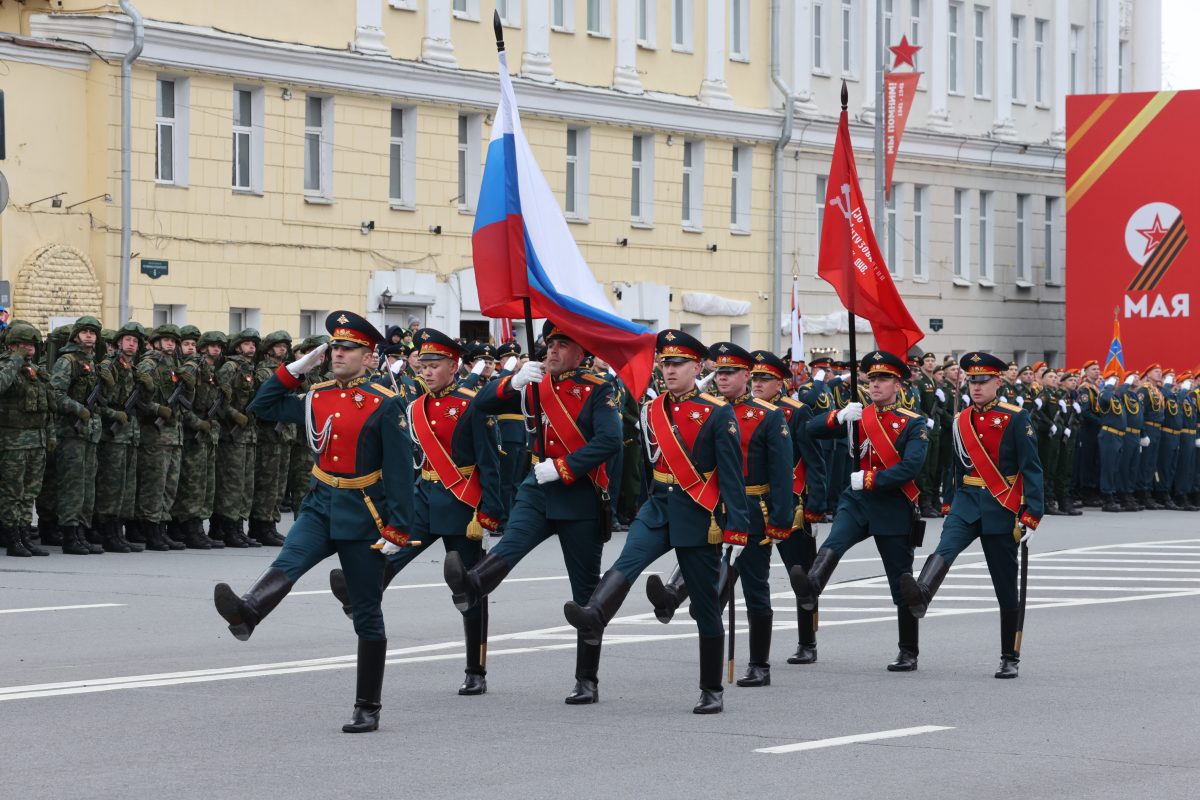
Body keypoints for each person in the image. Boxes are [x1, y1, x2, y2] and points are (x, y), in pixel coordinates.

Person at [214, 311, 414, 733]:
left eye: (347, 349)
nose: (338, 354)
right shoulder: (317, 395)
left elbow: (399, 472)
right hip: (321, 503)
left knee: (366, 613)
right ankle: (248, 613)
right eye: (334, 348)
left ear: (367, 355)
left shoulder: (385, 402)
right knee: (290, 559)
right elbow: (261, 406)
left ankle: (367, 705)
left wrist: (399, 528)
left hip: (364, 512)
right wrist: (295, 369)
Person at [563, 330, 749, 713]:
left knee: (704, 602)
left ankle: (711, 689)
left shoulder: (717, 412)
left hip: (699, 510)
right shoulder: (652, 409)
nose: (669, 370)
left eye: (678, 363)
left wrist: (737, 526)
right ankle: (595, 614)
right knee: (626, 561)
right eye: (664, 363)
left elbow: (732, 475)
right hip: (659, 505)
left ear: (697, 367)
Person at [442, 321, 622, 705]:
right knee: (512, 544)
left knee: (584, 594)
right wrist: (514, 381)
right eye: (549, 344)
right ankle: (472, 585)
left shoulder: (598, 388)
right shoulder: (534, 383)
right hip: (538, 488)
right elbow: (482, 403)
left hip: (580, 494)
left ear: (581, 351)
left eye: (561, 344)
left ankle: (586, 678)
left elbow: (609, 439)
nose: (552, 351)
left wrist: (565, 467)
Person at [328, 329, 504, 695]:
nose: (426, 371)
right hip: (424, 496)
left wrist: (490, 511)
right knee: (392, 554)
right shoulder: (416, 405)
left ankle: (476, 668)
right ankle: (361, 592)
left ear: (453, 367)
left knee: (469, 588)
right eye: (423, 365)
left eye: (434, 365)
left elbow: (490, 462)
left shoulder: (473, 403)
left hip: (462, 502)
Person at [640, 342, 792, 688]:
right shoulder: (706, 410)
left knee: (755, 587)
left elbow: (781, 474)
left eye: (730, 372)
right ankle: (672, 597)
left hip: (752, 508)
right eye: (718, 372)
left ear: (745, 375)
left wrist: (781, 521)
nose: (722, 378)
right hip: (709, 505)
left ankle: (759, 662)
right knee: (704, 571)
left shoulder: (768, 416)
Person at [900, 351, 1043, 678]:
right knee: (945, 548)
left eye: (983, 381)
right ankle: (922, 594)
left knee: (1005, 585)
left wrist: (1032, 514)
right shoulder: (961, 419)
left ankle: (1010, 655)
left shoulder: (1015, 418)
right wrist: (949, 500)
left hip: (1001, 504)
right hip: (966, 502)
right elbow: (956, 465)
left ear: (997, 382)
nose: (976, 388)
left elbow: (1032, 469)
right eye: (972, 381)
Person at [790, 350, 929, 671]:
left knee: (900, 579)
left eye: (883, 379)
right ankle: (811, 589)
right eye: (872, 378)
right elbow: (807, 430)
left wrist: (870, 477)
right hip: (856, 502)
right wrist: (836, 418)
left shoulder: (913, 422)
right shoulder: (858, 415)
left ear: (898, 384)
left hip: (893, 503)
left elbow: (911, 467)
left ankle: (908, 650)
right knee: (833, 544)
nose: (876, 384)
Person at [749, 349, 828, 664]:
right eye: (754, 377)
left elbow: (814, 459)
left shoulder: (795, 412)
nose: (757, 383)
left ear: (779, 382)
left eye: (764, 378)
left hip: (791, 503)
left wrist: (817, 504)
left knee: (800, 572)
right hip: (753, 503)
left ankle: (807, 642)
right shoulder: (741, 410)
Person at [50, 316, 108, 555]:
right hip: (71, 432)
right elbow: (55, 393)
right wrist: (78, 409)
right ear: (76, 336)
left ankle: (82, 532)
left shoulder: (93, 362)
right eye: (84, 332)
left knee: (86, 486)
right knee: (72, 486)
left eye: (92, 333)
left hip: (90, 433)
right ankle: (69, 534)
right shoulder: (67, 361)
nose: (89, 336)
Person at [0, 322, 54, 557]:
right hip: (13, 441)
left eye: (32, 344)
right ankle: (13, 539)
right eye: (23, 344)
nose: (29, 348)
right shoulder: (6, 366)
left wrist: (50, 435)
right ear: (12, 346)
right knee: (13, 492)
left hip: (36, 440)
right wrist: (15, 360)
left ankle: (24, 535)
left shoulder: (37, 372)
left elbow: (48, 407)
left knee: (29, 492)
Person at [93, 321, 147, 553]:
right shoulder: (109, 366)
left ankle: (118, 532)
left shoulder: (132, 369)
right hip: (112, 435)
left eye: (135, 341)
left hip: (129, 435)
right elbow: (96, 401)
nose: (132, 344)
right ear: (118, 343)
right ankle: (107, 532)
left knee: (126, 486)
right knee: (111, 485)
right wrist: (114, 414)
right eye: (128, 340)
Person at [213, 329, 261, 548]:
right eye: (247, 343)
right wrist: (235, 415)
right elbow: (219, 401)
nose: (251, 347)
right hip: (232, 434)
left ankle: (238, 526)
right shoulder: (230, 368)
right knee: (231, 483)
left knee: (245, 483)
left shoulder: (250, 369)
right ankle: (225, 527)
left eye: (253, 344)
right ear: (238, 346)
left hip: (248, 434)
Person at [249, 330, 294, 546]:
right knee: (267, 482)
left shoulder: (286, 370)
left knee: (278, 483)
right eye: (278, 345)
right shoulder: (265, 372)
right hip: (268, 433)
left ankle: (271, 524)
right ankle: (260, 525)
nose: (282, 349)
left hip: (283, 434)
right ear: (269, 349)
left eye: (285, 345)